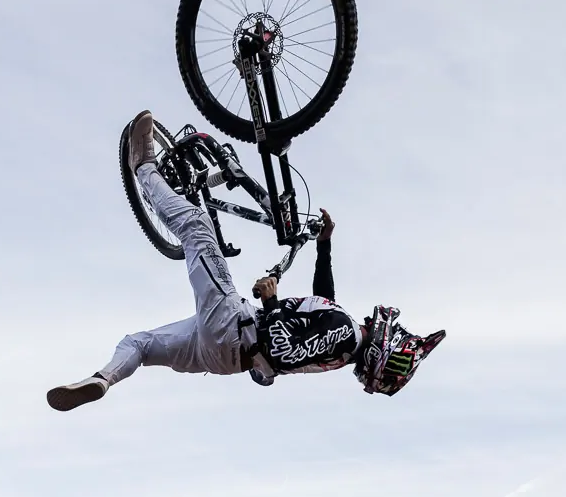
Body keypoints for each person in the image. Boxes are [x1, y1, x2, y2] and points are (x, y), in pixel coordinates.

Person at [46, 111, 442, 411]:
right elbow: (324, 305)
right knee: (141, 344)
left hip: (236, 327)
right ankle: (102, 380)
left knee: (197, 227)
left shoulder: (342, 332)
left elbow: (284, 349)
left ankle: (143, 165)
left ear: (388, 346)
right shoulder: (341, 345)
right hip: (224, 356)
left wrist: (271, 301)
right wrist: (324, 246)